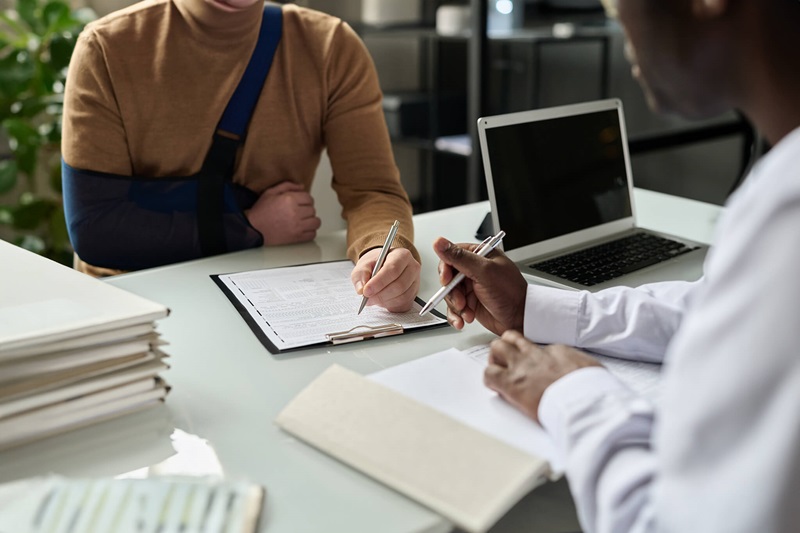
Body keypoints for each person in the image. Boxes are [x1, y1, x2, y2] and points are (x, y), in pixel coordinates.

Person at [432, 0, 800, 531]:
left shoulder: (785, 214)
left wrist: (571, 392)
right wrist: (531, 308)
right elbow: (703, 308)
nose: (617, 22)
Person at [61, 0, 420, 313]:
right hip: (131, 301)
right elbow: (96, 229)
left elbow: (372, 190)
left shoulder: (329, 46)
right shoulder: (107, 47)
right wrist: (249, 228)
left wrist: (381, 250)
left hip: (267, 298)